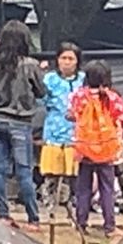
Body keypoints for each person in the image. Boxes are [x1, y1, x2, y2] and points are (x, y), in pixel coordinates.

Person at [0, 21, 46, 228]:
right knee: (24, 171)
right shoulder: (30, 65)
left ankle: (3, 215)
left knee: (0, 169)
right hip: (20, 122)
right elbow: (41, 92)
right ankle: (33, 218)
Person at [69, 60, 123, 237]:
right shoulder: (112, 98)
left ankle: (81, 224)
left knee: (83, 188)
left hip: (85, 149)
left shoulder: (79, 95)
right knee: (107, 188)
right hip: (107, 149)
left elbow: (70, 114)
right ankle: (109, 226)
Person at [39, 42, 84, 221]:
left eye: (70, 58)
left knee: (73, 175)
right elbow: (42, 99)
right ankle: (50, 208)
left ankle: (72, 211)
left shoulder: (83, 79)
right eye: (63, 58)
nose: (66, 62)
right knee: (52, 174)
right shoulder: (49, 79)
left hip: (76, 134)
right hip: (53, 131)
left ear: (77, 61)